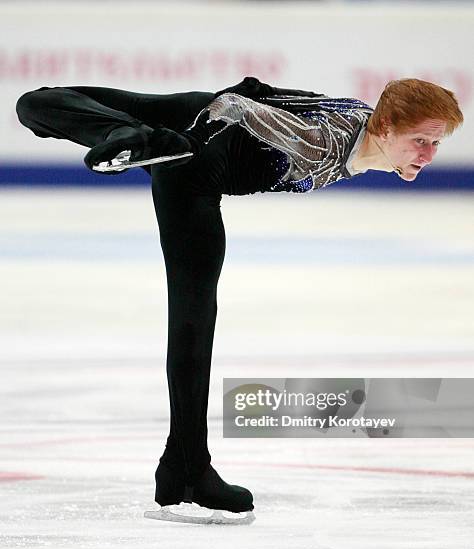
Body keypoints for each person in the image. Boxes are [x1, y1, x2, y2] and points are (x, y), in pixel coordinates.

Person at [16, 76, 463, 524]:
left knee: (38, 104)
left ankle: (124, 136)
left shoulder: (359, 117)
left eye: (435, 143)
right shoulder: (324, 143)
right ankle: (189, 472)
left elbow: (266, 91)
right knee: (192, 325)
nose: (427, 154)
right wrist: (187, 144)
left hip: (186, 113)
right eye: (419, 140)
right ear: (384, 126)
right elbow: (237, 106)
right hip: (196, 164)